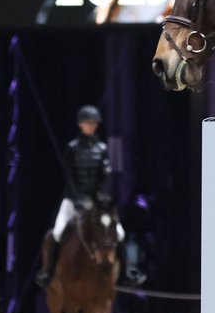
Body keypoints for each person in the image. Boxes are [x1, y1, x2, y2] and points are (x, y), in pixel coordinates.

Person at [36, 105, 143, 287]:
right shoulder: (72, 148)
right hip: (73, 199)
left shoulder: (102, 149)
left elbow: (104, 176)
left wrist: (99, 198)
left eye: (94, 123)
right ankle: (48, 271)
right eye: (88, 123)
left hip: (96, 202)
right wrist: (77, 199)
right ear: (80, 125)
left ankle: (127, 272)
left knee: (119, 233)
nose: (91, 126)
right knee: (57, 231)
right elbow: (69, 176)